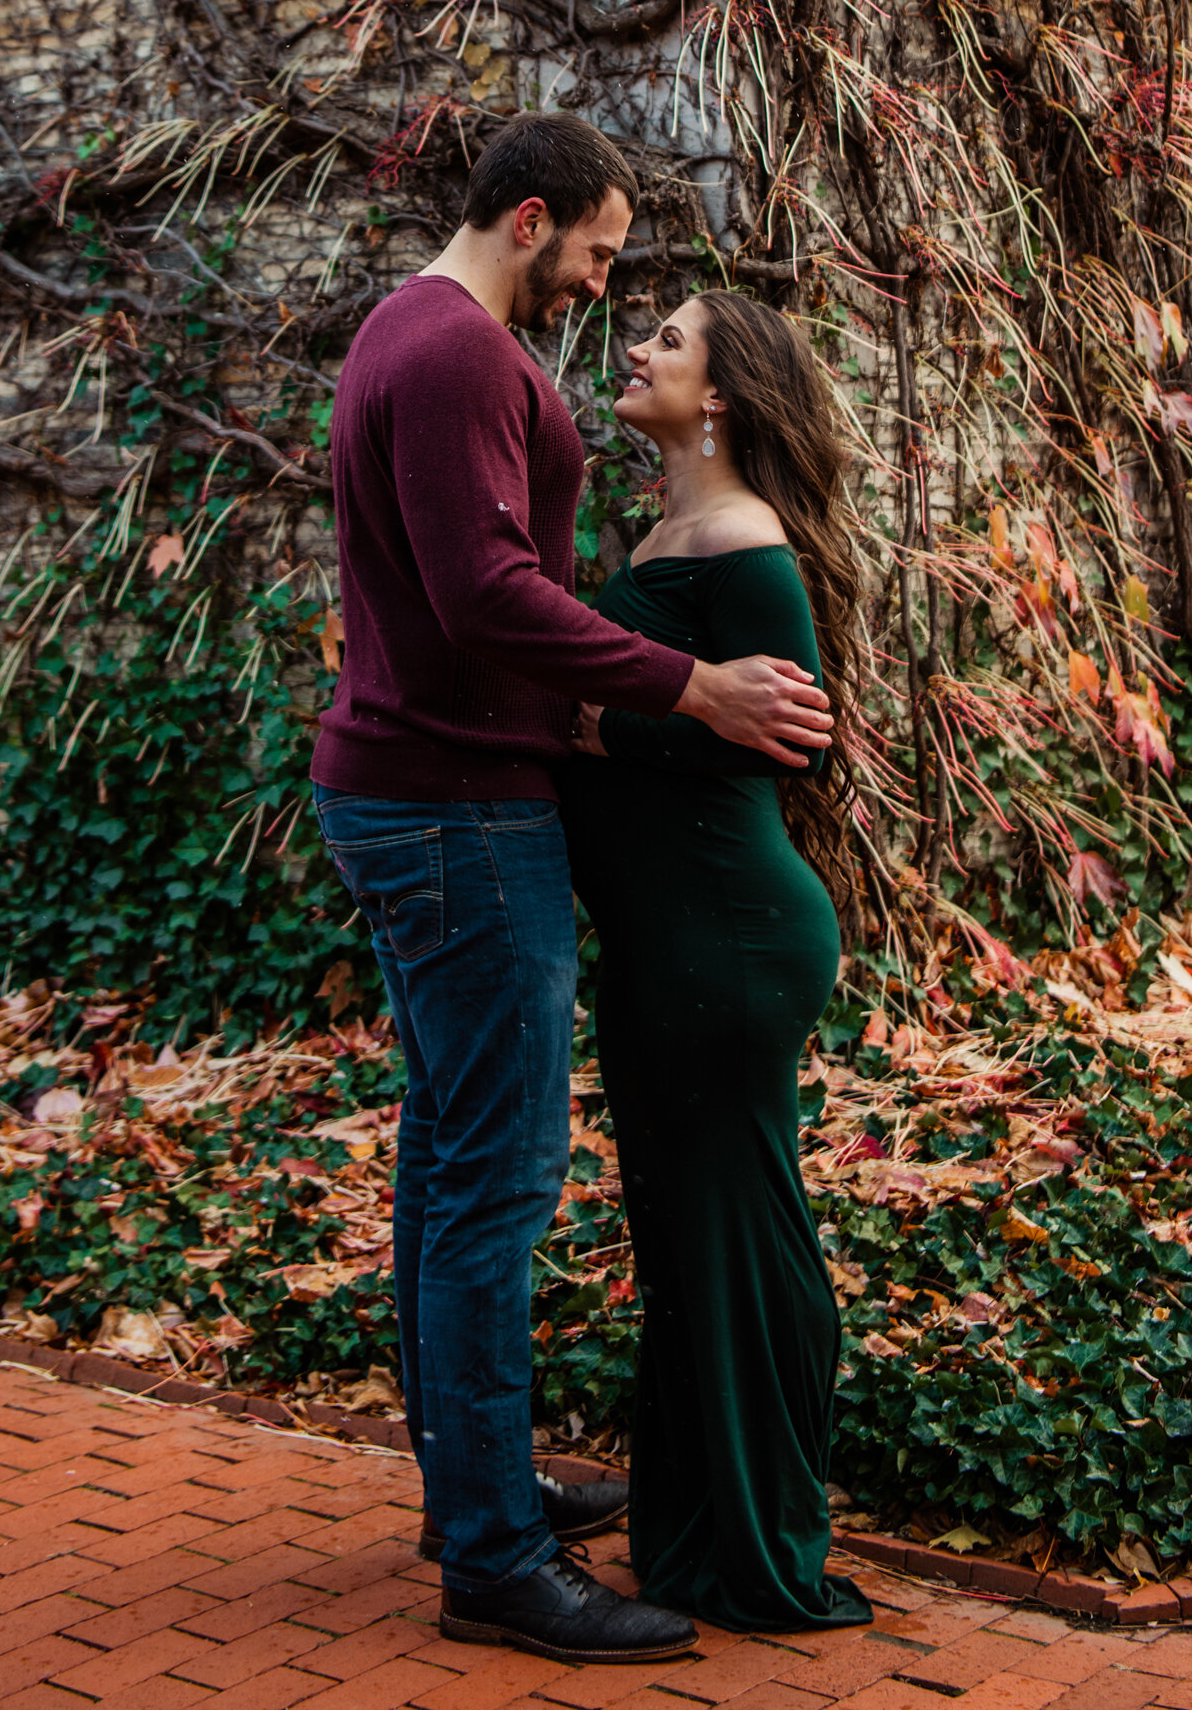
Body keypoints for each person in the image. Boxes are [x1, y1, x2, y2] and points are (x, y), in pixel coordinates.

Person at [310, 114, 834, 1667]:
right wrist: (684, 689)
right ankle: (491, 1556)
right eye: (600, 255)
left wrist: (611, 712)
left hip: (421, 790)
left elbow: (478, 604)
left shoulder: (404, 331)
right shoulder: (464, 354)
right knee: (493, 1179)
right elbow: (486, 597)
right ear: (529, 219)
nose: (602, 288)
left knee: (447, 1157)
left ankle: (468, 1488)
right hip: (456, 811)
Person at [560, 289, 874, 1634]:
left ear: (726, 394)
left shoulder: (744, 547)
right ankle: (697, 1536)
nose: (636, 351)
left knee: (736, 1236)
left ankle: (757, 1546)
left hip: (726, 935)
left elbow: (792, 739)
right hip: (668, 937)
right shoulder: (671, 527)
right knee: (690, 1242)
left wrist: (600, 735)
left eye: (668, 341)